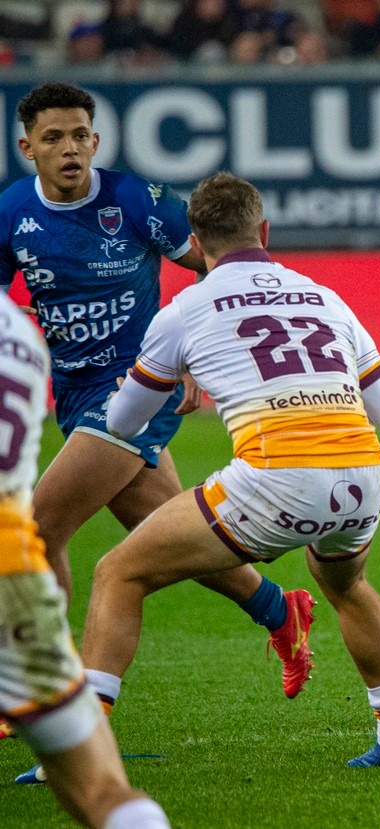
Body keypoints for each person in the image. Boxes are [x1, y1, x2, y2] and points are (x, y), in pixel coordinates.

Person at [82, 171, 380, 769]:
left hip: (276, 478)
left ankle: (77, 750)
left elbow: (124, 425)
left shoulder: (183, 312)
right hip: (361, 479)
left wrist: (163, 377)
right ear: (264, 231)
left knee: (118, 573)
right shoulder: (327, 299)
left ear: (196, 243)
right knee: (346, 585)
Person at [0, 83, 313, 752]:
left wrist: (190, 350)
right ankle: (279, 609)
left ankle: (45, 689)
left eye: (79, 135)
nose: (69, 148)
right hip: (72, 391)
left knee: (39, 528)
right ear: (27, 147)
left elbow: (218, 263)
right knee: (165, 533)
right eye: (53, 138)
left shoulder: (137, 200)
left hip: (137, 387)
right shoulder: (11, 212)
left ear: (95, 141)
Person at [0, 292, 170, 828]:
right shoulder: (19, 338)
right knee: (99, 791)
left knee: (126, 553)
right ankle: (276, 609)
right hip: (20, 589)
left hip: (114, 405)